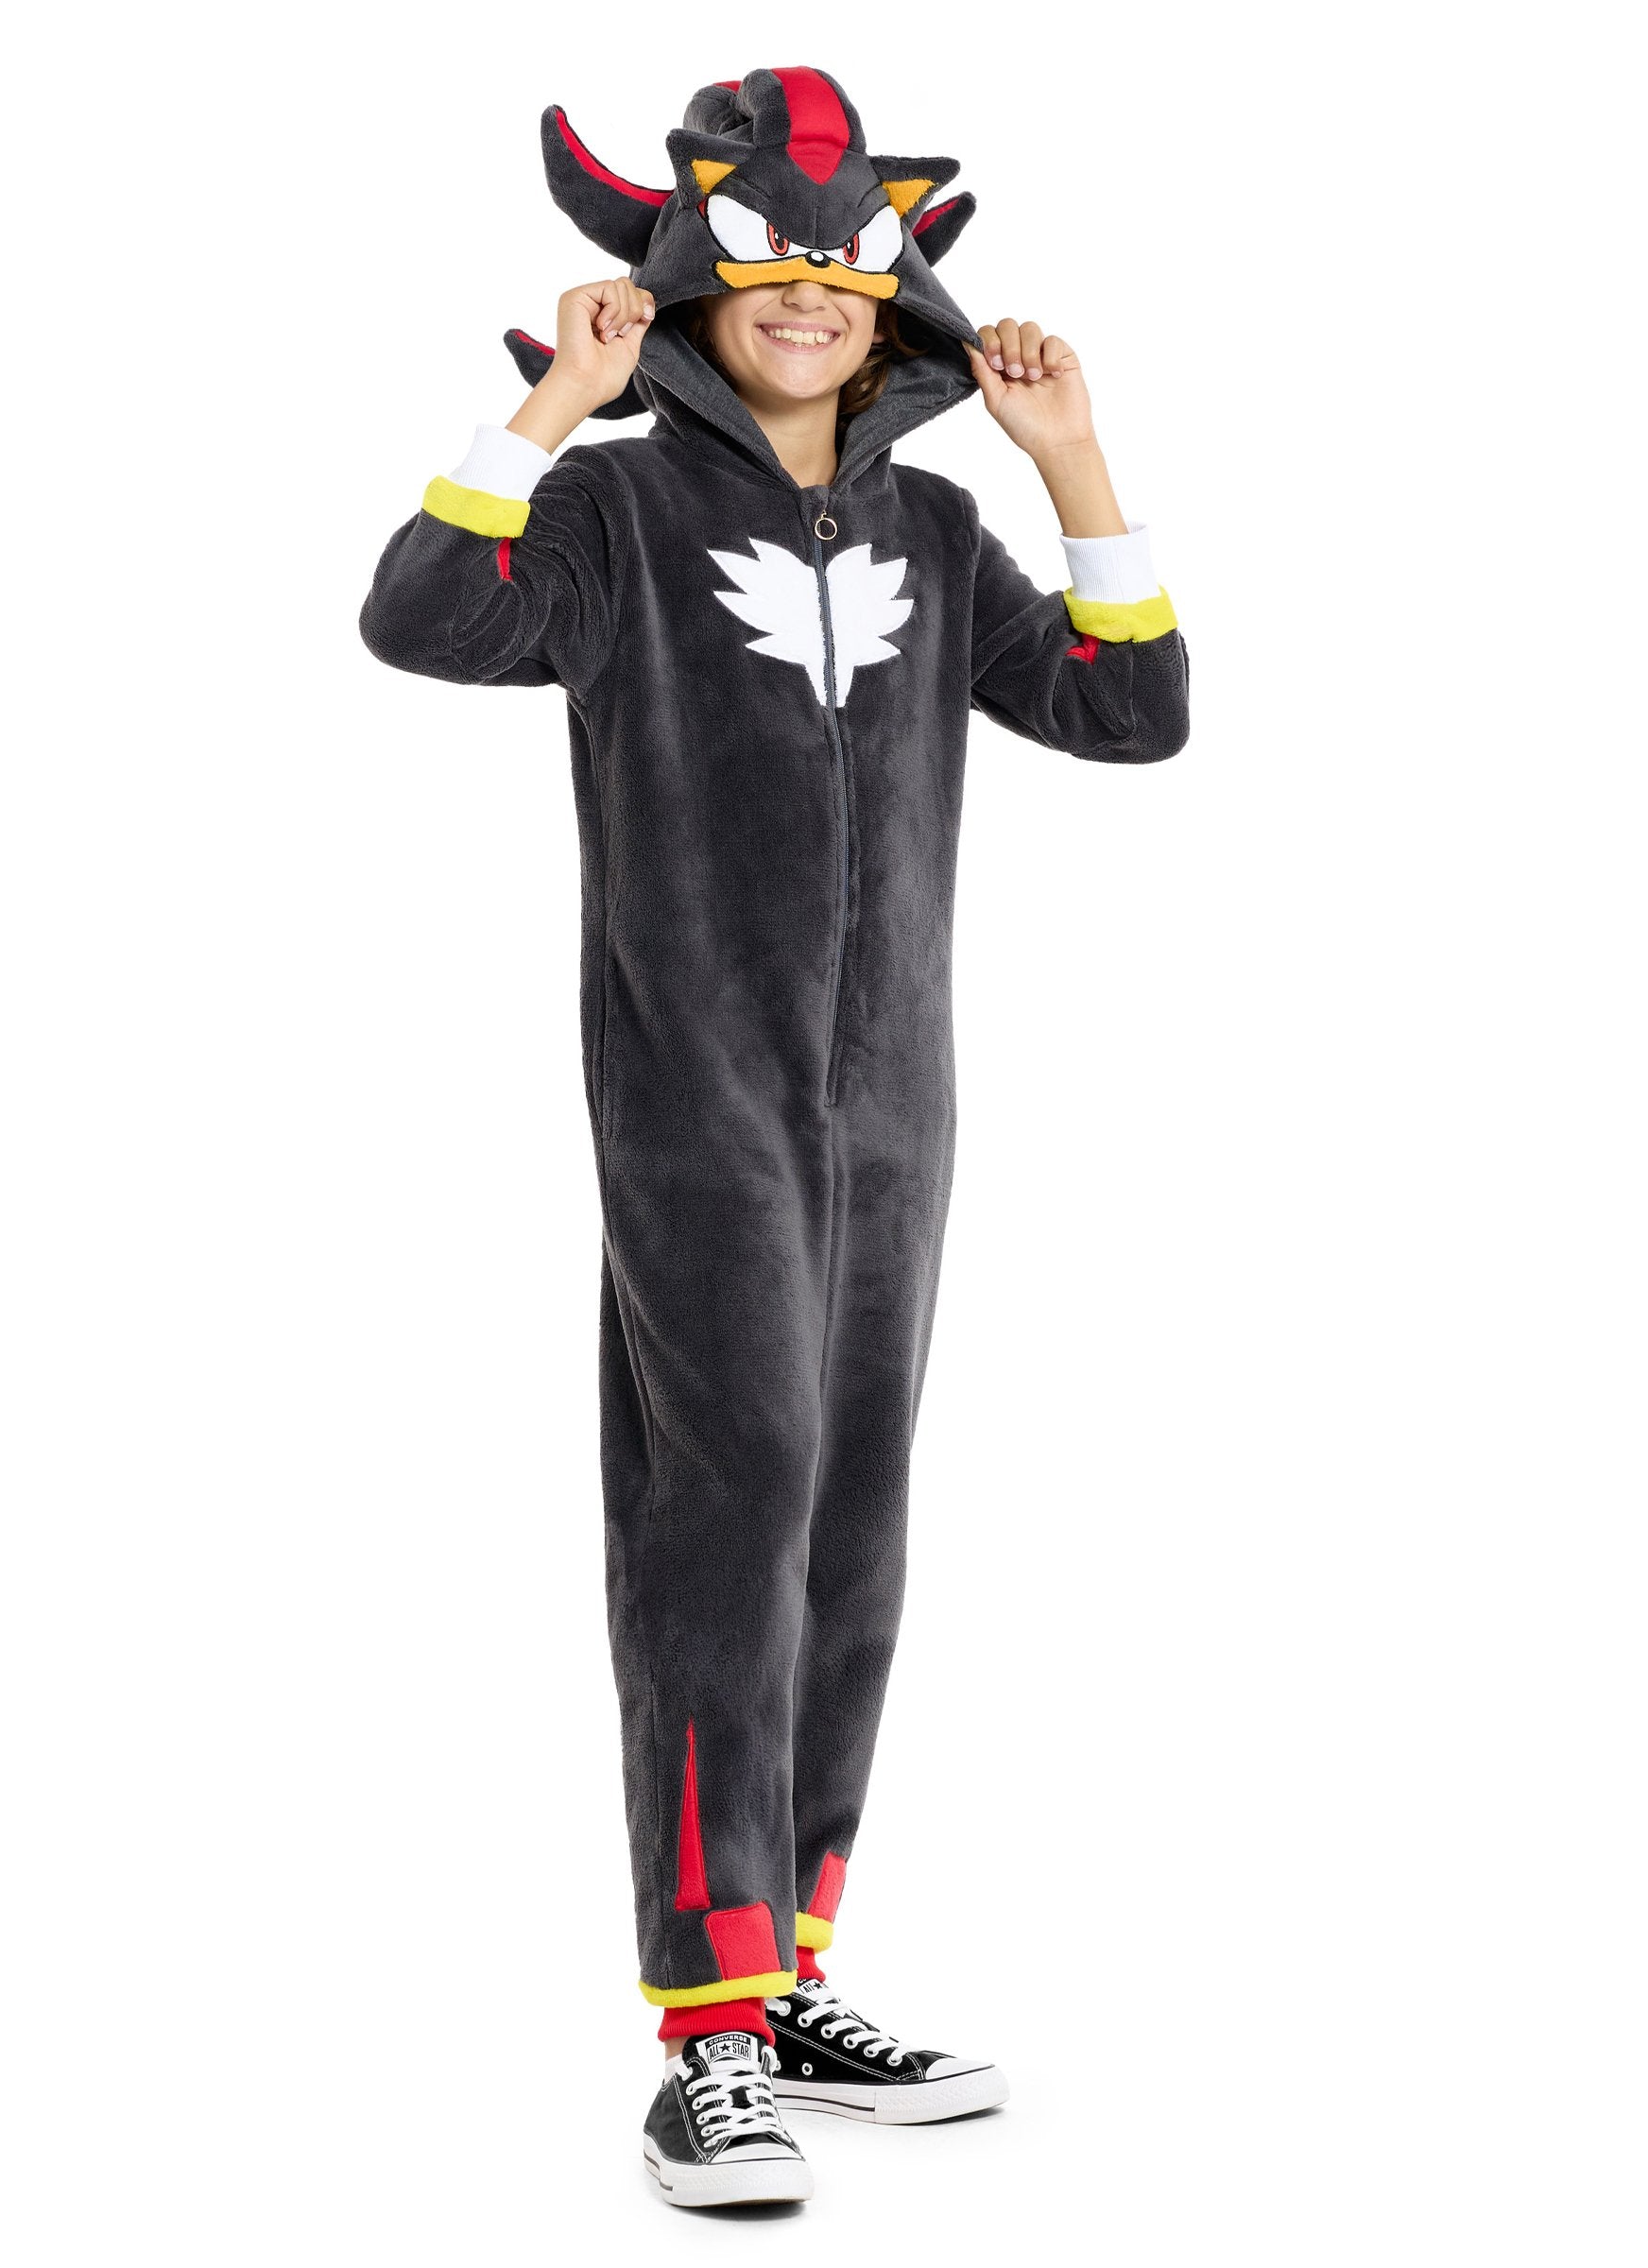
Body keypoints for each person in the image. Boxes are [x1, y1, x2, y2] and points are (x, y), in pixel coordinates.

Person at [360, 63, 1189, 2210]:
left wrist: (1071, 461)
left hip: (896, 1117)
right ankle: (702, 2036)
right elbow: (424, 618)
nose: (807, 299)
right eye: (763, 271)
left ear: (889, 298)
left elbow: (1131, 710)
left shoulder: (935, 531)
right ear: (689, 290)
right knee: (725, 1520)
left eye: (841, 271)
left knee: (849, 1526)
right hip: (697, 1106)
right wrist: (552, 405)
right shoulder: (617, 518)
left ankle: (791, 1968)